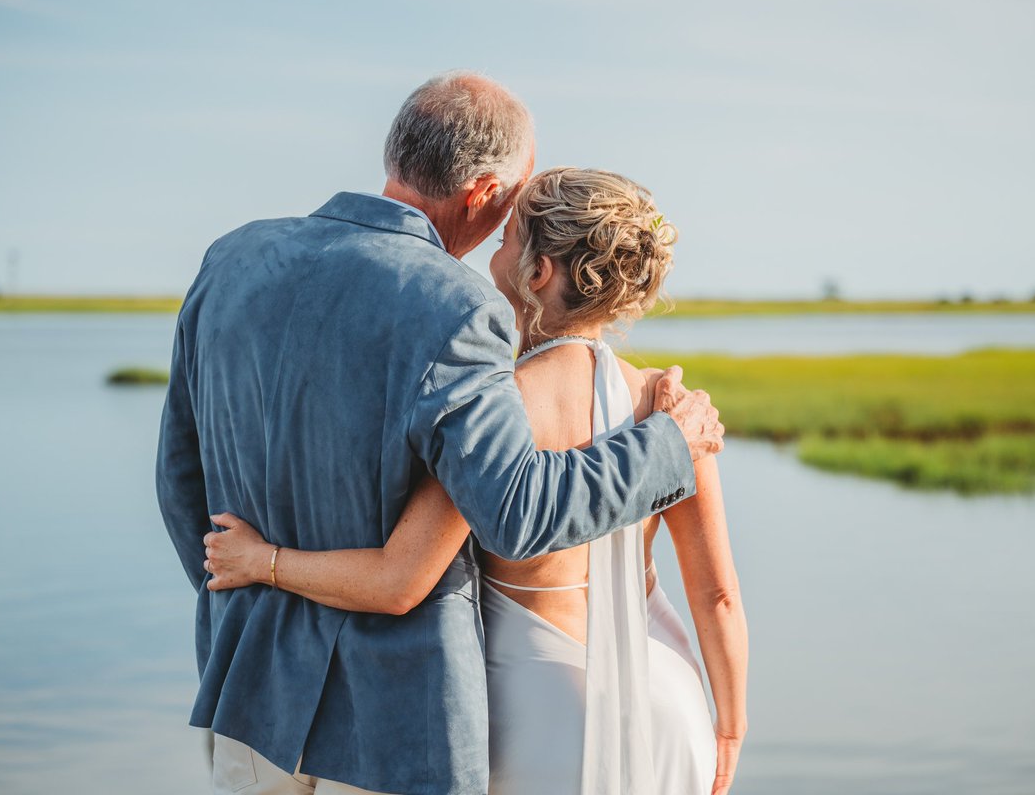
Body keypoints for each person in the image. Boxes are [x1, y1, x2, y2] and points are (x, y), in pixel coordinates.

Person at [156, 71, 725, 795]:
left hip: (250, 695)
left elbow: (180, 479)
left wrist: (243, 606)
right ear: (482, 193)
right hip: (391, 719)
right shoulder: (456, 306)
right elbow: (514, 510)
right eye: (509, 206)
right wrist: (667, 445)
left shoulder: (229, 260)